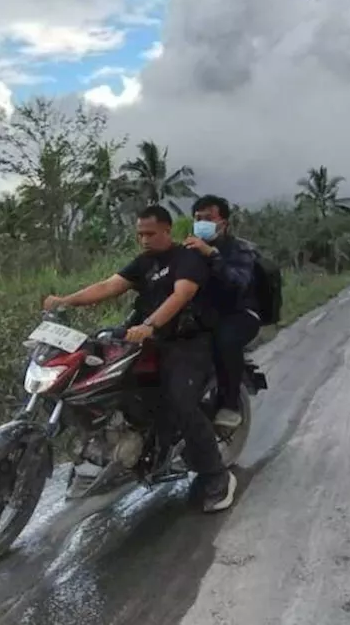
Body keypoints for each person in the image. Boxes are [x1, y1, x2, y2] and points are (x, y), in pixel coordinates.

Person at [43, 205, 237, 514]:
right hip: (147, 339)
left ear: (166, 231)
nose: (144, 240)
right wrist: (66, 301)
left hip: (185, 342)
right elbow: (109, 285)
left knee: (181, 401)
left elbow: (181, 295)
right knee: (100, 379)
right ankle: (110, 454)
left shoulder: (187, 258)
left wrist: (150, 325)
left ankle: (216, 475)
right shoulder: (144, 262)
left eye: (149, 234)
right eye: (139, 235)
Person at [184, 194, 261, 430]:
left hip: (240, 313)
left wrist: (212, 255)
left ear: (224, 223)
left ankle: (230, 404)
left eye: (208, 218)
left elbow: (238, 282)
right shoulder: (189, 249)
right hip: (204, 314)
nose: (202, 223)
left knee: (225, 339)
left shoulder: (240, 250)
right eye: (198, 218)